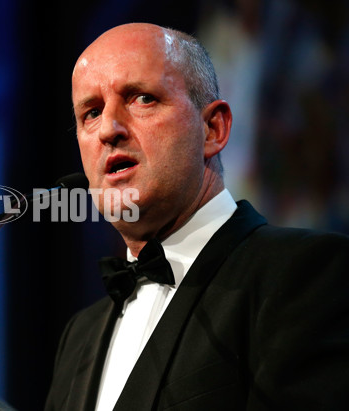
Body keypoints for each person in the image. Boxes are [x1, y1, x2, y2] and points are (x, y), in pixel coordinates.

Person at [45, 23, 349, 410]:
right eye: (91, 112)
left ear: (212, 129)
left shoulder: (305, 273)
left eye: (141, 98)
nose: (108, 129)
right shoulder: (79, 336)